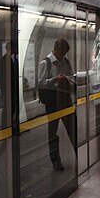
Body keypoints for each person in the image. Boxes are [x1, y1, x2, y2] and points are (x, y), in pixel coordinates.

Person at [38, 38, 76, 171]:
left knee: (72, 127)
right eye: (62, 53)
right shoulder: (46, 63)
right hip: (53, 100)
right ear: (56, 49)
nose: (63, 56)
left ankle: (78, 153)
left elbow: (71, 76)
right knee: (53, 132)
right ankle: (55, 160)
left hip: (65, 98)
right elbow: (41, 82)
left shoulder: (66, 61)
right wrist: (55, 80)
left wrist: (67, 81)